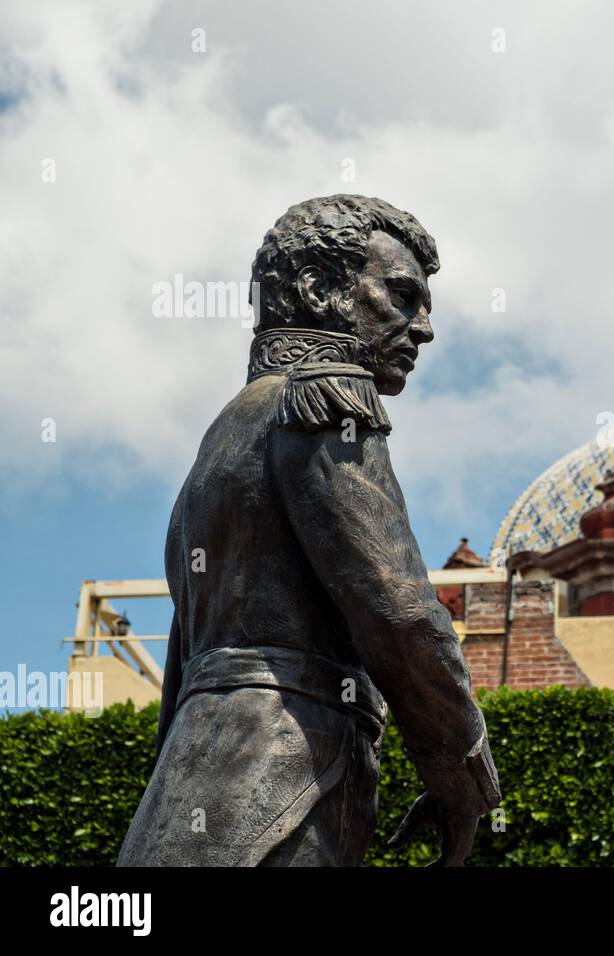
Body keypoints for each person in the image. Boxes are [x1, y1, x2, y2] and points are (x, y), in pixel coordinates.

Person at [117, 195, 500, 866]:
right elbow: (401, 612)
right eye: (402, 297)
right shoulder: (326, 397)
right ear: (320, 290)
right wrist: (462, 772)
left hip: (178, 803)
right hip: (287, 785)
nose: (424, 329)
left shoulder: (223, 435)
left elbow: (178, 680)